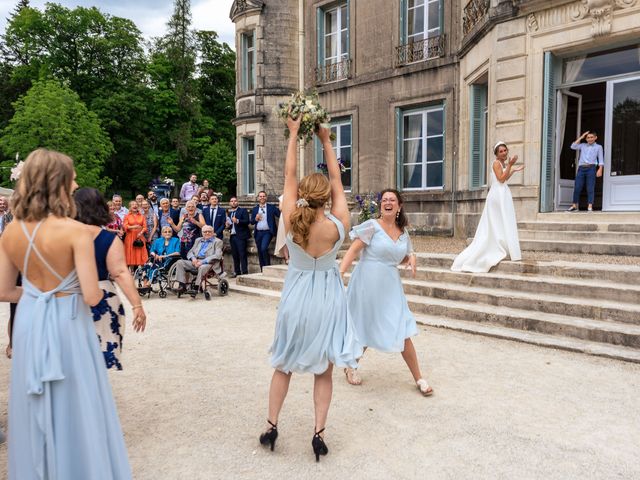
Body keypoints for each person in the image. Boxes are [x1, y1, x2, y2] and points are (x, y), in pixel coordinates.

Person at [0, 148, 132, 478]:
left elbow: (3, 290)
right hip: (67, 322)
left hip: (30, 321)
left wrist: (36, 296)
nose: (75, 185)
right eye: (71, 178)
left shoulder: (11, 231)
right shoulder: (74, 231)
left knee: (36, 401)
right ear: (57, 182)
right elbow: (90, 294)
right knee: (78, 401)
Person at [259, 115, 361, 462]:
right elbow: (337, 179)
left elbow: (288, 176)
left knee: (283, 363)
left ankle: (271, 426)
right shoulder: (338, 223)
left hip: (297, 295)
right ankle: (318, 434)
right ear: (327, 197)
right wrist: (327, 141)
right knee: (324, 369)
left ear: (303, 195)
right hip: (329, 297)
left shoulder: (290, 217)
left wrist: (292, 135)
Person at [339, 189, 433, 396]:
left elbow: (400, 256)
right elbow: (354, 250)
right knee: (365, 324)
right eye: (384, 200)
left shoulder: (403, 233)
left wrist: (411, 258)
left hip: (390, 286)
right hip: (366, 282)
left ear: (399, 206)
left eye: (392, 200)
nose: (387, 203)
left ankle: (418, 377)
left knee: (402, 328)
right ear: (381, 205)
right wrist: (340, 273)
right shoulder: (372, 226)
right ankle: (351, 365)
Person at [74, 187, 147, 370]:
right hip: (100, 296)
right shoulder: (107, 238)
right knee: (95, 361)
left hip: (69, 296)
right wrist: (137, 305)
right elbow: (120, 272)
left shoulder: (62, 235)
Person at [451, 141, 524, 273]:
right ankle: (494, 247)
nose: (504, 153)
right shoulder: (496, 163)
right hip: (497, 196)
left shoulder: (502, 164)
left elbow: (504, 178)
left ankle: (501, 245)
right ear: (496, 154)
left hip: (502, 193)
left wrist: (512, 170)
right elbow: (501, 179)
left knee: (502, 221)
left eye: (505, 150)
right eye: (501, 151)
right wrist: (511, 165)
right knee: (497, 222)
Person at [174, 225, 224, 292]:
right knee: (180, 262)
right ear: (202, 232)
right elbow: (190, 252)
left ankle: (196, 287)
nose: (207, 233)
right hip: (196, 261)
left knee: (202, 267)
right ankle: (182, 285)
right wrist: (193, 258)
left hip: (209, 263)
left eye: (209, 231)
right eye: (205, 232)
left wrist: (202, 262)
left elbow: (217, 255)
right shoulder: (198, 240)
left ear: (213, 232)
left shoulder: (218, 242)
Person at [567, 130, 604, 212]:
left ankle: (590, 206)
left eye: (591, 137)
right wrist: (582, 136)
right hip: (581, 168)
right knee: (577, 187)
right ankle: (574, 205)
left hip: (591, 168)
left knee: (590, 187)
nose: (590, 139)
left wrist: (600, 169)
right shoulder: (583, 145)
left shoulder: (598, 147)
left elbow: (601, 159)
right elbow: (573, 146)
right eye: (588, 138)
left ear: (595, 138)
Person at [251, 191, 280, 271]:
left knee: (264, 248)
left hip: (267, 232)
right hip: (258, 233)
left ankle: (267, 268)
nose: (262, 197)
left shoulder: (271, 207)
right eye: (260, 196)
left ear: (266, 197)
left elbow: (280, 214)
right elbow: (252, 222)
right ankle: (262, 270)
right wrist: (255, 219)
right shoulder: (255, 209)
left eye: (264, 196)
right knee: (260, 252)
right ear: (258, 198)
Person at [226, 196, 250, 277]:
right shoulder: (229, 213)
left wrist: (238, 221)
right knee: (235, 255)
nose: (233, 202)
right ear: (229, 203)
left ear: (237, 202)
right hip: (232, 236)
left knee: (242, 254)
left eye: (235, 201)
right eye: (231, 201)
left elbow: (247, 221)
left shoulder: (242, 210)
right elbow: (231, 226)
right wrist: (227, 226)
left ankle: (245, 272)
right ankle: (237, 272)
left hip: (241, 236)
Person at [123, 200, 148, 269]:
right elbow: (125, 226)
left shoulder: (142, 216)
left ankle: (142, 271)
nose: (135, 206)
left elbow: (145, 227)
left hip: (140, 236)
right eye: (133, 205)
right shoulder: (127, 216)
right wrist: (134, 226)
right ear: (130, 207)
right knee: (131, 253)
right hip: (130, 236)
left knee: (141, 252)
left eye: (136, 204)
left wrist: (141, 232)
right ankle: (132, 271)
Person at [274, 194, 289, 261]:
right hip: (284, 218)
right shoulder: (283, 197)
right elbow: (280, 208)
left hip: (295, 217)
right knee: (284, 238)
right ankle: (287, 258)